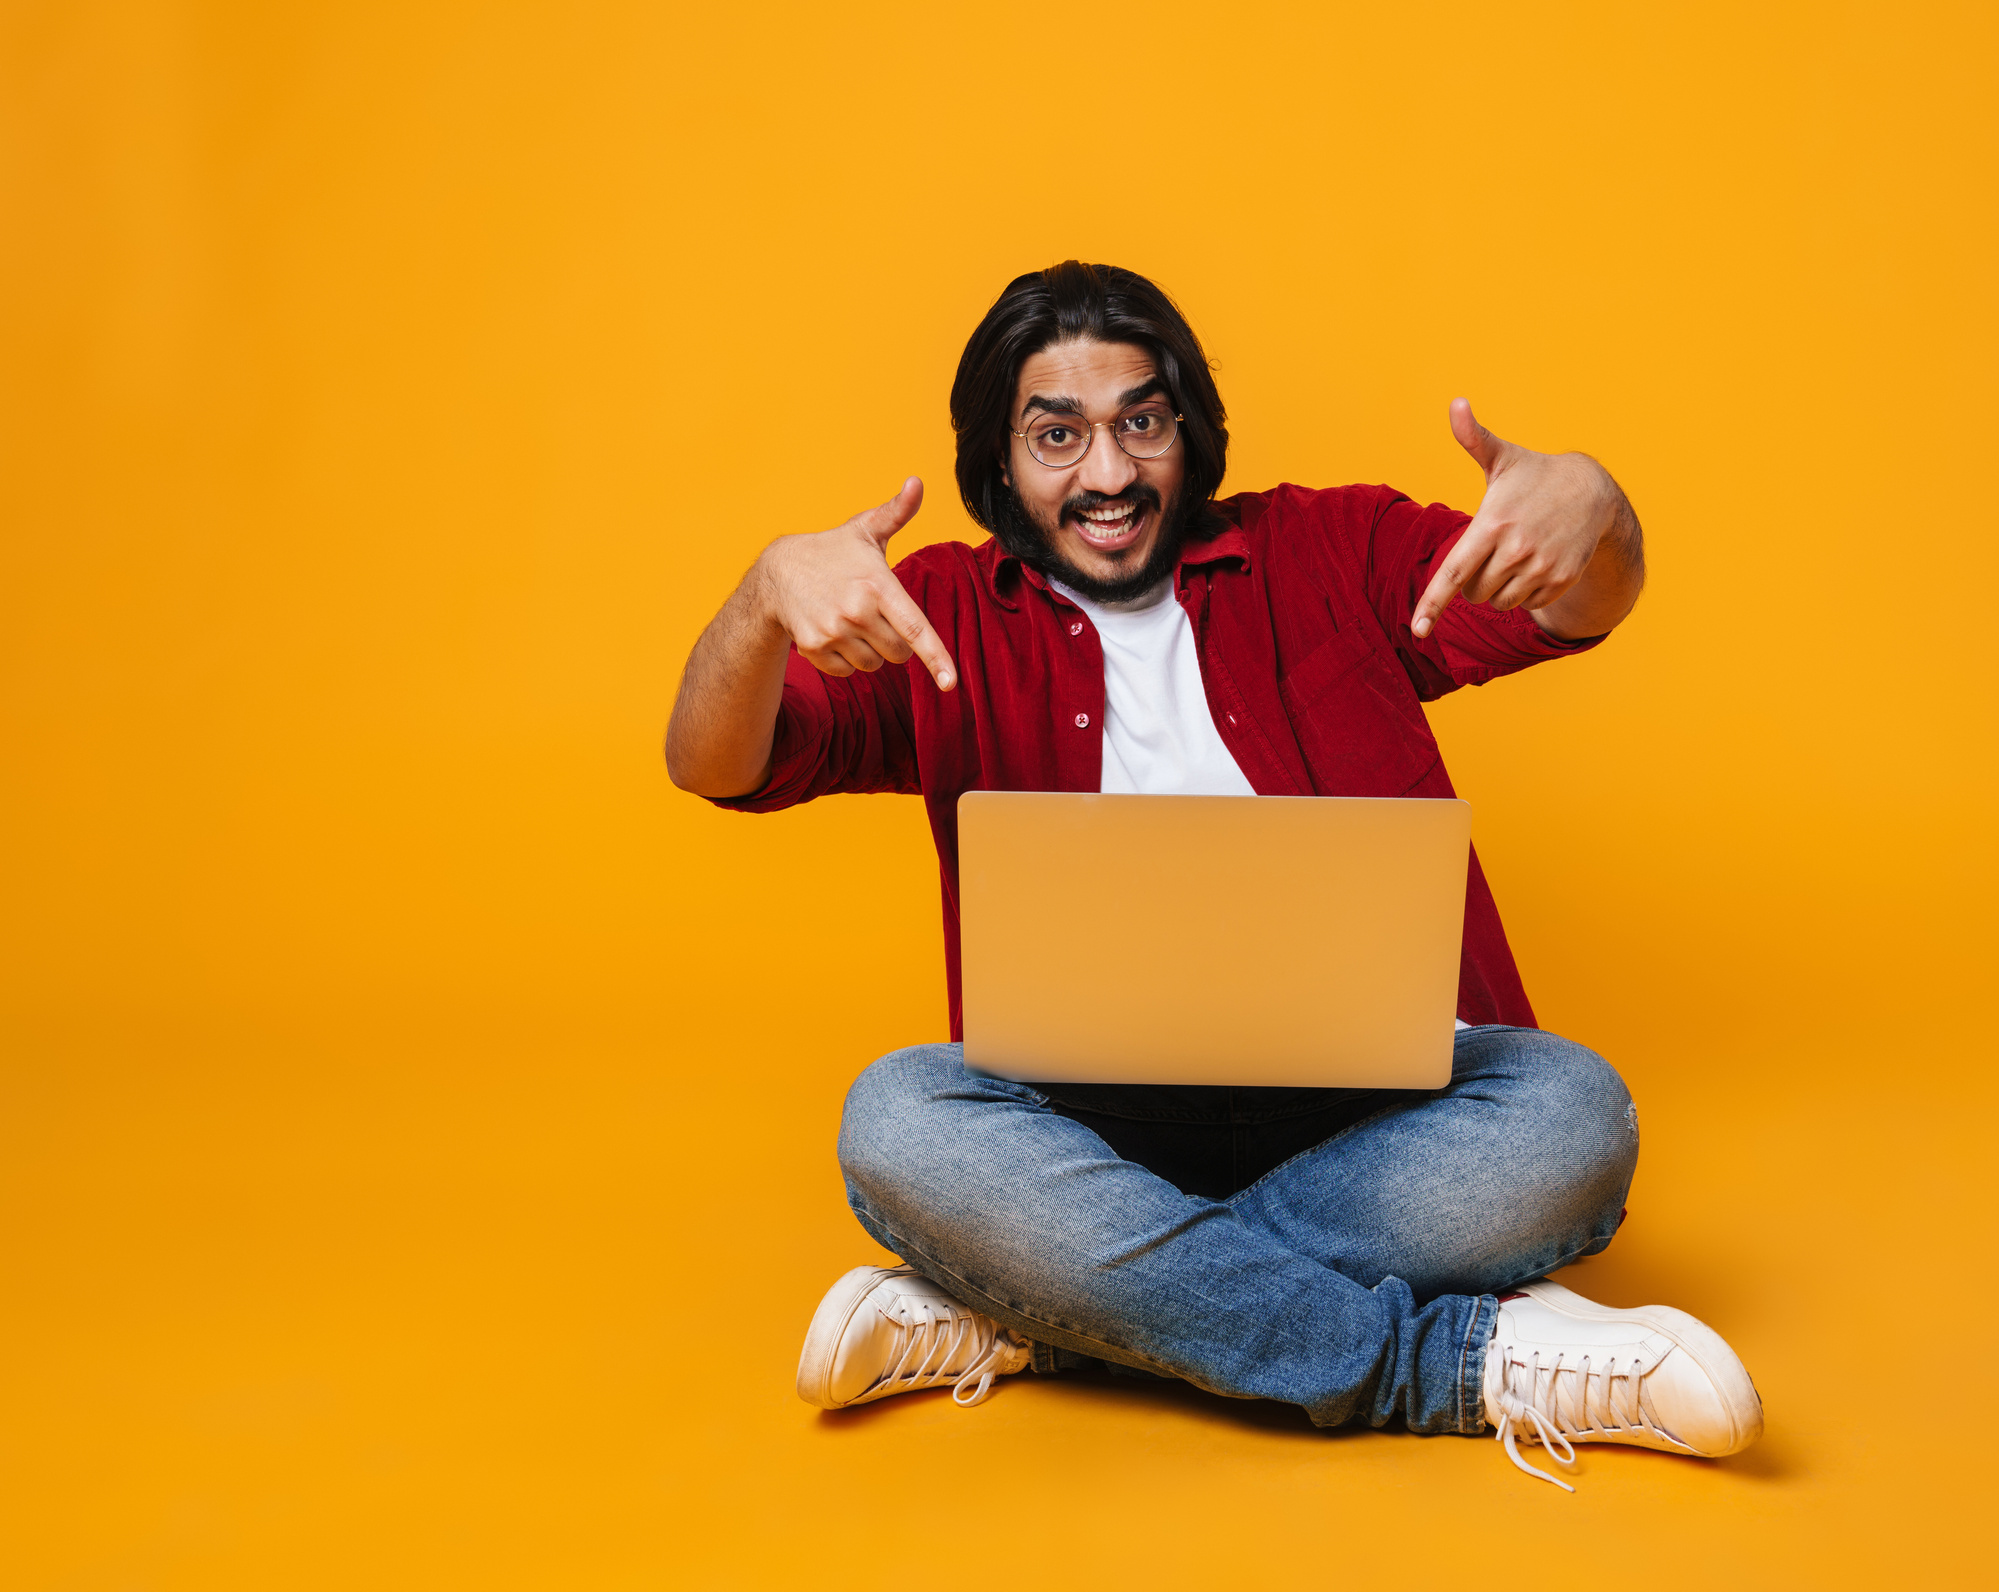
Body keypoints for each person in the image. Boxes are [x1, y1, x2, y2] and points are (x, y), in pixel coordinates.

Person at [664, 262, 1761, 1490]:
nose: (1110, 473)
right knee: (895, 1115)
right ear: (1000, 457)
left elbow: (1578, 596)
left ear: (1184, 422)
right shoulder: (937, 614)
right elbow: (714, 763)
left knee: (1571, 1109)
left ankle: (1046, 1307)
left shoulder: (1335, 548)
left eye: (1141, 419)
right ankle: (1447, 1365)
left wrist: (1596, 510)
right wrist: (762, 601)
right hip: (1086, 1132)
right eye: (1057, 434)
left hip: (1379, 1115)